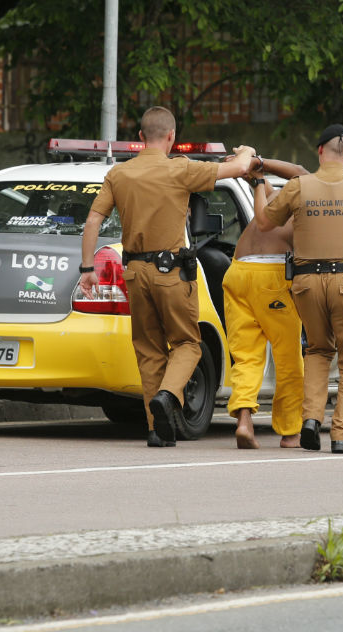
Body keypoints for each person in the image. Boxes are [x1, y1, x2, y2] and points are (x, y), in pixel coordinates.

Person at [79, 106, 258, 447]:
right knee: (187, 344)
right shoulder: (181, 169)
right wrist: (246, 151)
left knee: (148, 351)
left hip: (135, 272)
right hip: (171, 273)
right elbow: (239, 168)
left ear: (140, 137)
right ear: (172, 137)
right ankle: (168, 394)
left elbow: (93, 221)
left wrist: (88, 269)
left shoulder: (119, 174)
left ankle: (157, 430)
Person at [252, 123, 343, 454]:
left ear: (319, 150)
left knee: (318, 351)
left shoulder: (298, 187)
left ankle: (310, 420)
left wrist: (259, 184)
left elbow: (263, 222)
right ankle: (342, 434)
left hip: (306, 283)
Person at [223, 157, 310, 449]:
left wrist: (257, 169)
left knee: (246, 355)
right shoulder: (309, 203)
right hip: (270, 277)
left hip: (237, 271)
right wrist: (260, 163)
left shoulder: (273, 199)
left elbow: (266, 182)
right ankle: (290, 432)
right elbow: (300, 172)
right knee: (288, 358)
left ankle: (244, 420)